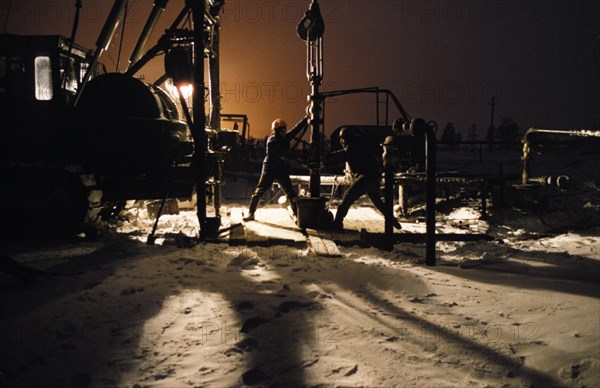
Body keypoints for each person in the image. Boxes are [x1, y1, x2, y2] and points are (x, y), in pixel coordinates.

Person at [326, 126, 402, 230]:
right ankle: (394, 222)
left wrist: (323, 161)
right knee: (378, 202)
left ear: (347, 139)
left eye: (342, 139)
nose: (341, 141)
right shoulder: (359, 145)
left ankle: (337, 223)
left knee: (347, 197)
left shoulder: (352, 148)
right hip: (374, 176)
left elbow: (339, 157)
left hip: (366, 177)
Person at [243, 116, 309, 221]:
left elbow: (296, 129)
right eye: (281, 130)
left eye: (284, 130)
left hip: (281, 169)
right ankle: (251, 213)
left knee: (291, 193)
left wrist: (306, 119)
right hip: (269, 170)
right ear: (276, 131)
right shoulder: (271, 141)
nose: (283, 132)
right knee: (259, 192)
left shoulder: (285, 137)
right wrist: (297, 156)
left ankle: (297, 215)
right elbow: (282, 154)